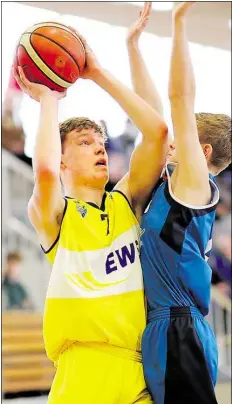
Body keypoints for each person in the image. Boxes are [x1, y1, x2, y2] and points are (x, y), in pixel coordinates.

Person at [14, 26, 169, 403]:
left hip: (137, 369)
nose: (99, 149)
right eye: (85, 143)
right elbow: (46, 171)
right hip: (83, 369)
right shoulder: (53, 214)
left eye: (101, 142)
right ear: (64, 157)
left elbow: (158, 133)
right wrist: (50, 98)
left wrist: (97, 72)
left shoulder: (126, 201)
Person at [127, 2, 231, 403]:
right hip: (168, 327)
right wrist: (133, 47)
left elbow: (178, 97)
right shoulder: (178, 186)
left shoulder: (192, 182)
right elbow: (153, 113)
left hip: (178, 329)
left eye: (182, 138)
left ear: (201, 151)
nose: (171, 141)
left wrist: (179, 22)